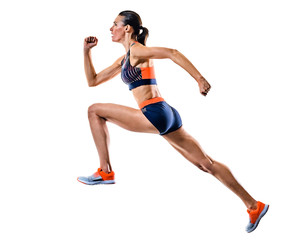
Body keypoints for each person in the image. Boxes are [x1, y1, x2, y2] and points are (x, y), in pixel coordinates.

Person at [77, 10, 269, 233]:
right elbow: (93, 81)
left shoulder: (138, 51)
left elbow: (171, 52)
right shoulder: (125, 58)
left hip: (153, 113)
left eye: (115, 25)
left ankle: (105, 171)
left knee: (94, 111)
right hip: (165, 113)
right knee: (206, 164)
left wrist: (199, 79)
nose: (111, 29)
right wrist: (86, 52)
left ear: (127, 28)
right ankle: (254, 205)